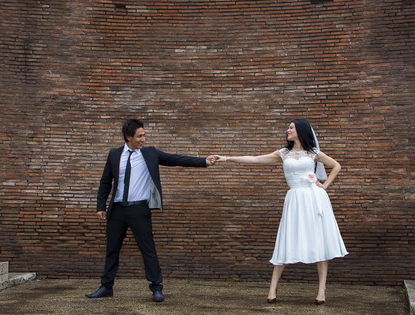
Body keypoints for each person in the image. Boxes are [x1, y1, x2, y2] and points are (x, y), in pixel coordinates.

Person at [216, 119, 347, 304]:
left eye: (291, 128)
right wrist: (227, 158)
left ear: (300, 131)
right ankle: (272, 289)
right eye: (288, 127)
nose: (287, 130)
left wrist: (324, 186)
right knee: (285, 239)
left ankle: (321, 292)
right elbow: (255, 159)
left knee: (320, 241)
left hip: (314, 199)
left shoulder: (313, 153)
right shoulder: (283, 153)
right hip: (294, 199)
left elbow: (336, 165)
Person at [88, 118, 219, 303]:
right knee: (112, 250)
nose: (143, 139)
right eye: (139, 136)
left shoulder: (150, 153)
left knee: (148, 250)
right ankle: (106, 287)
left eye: (144, 135)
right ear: (128, 137)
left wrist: (203, 161)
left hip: (139, 210)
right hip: (116, 210)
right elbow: (105, 181)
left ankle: (156, 288)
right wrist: (100, 206)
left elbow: (176, 159)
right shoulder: (114, 154)